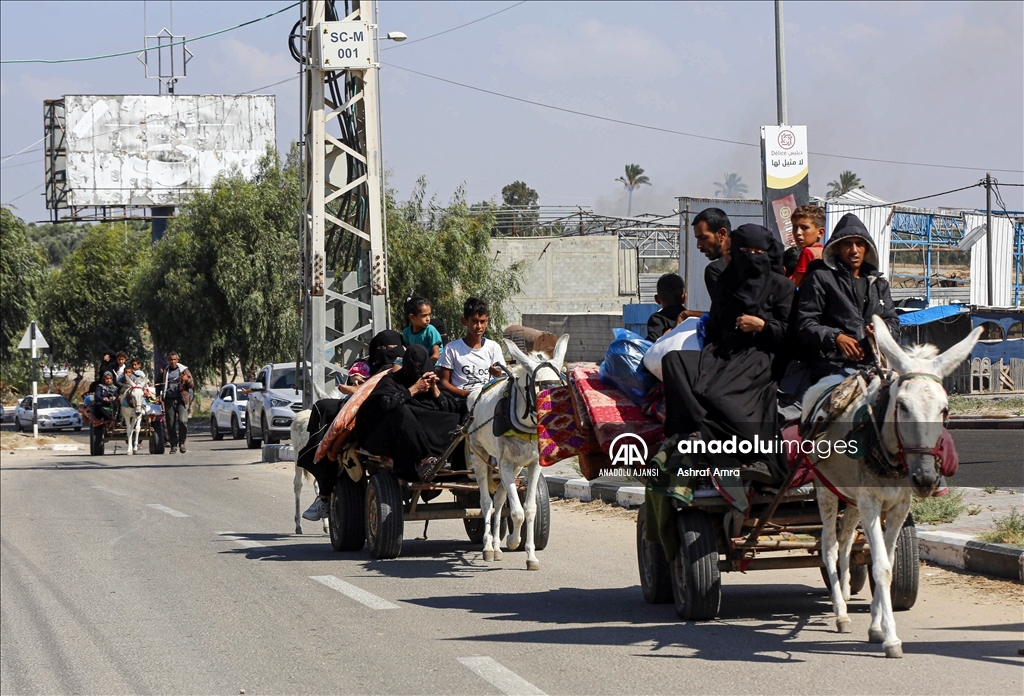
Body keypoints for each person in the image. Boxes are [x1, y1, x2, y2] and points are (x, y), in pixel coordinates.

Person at [692, 223, 794, 484]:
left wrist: (762, 326)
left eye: (757, 251)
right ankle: (698, 439)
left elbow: (791, 334)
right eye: (745, 250)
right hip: (724, 351)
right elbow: (716, 322)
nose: (751, 257)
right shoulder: (727, 281)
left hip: (762, 354)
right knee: (678, 367)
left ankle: (760, 454)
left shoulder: (781, 286)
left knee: (719, 395)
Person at [796, 213, 899, 371]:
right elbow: (805, 323)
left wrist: (881, 331)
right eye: (847, 244)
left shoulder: (878, 284)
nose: (854, 250)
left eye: (859, 244)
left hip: (875, 366)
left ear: (867, 248)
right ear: (836, 248)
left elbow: (893, 322)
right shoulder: (820, 279)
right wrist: (836, 337)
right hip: (832, 366)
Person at [356, 345, 463, 482]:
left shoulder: (432, 378)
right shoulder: (392, 380)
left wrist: (435, 389)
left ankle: (456, 464)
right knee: (403, 411)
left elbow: (449, 408)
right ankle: (424, 459)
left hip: (428, 428)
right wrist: (413, 389)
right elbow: (385, 404)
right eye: (415, 365)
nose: (418, 368)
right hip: (397, 435)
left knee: (456, 419)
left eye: (421, 364)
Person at [438, 297, 506, 399]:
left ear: (487, 321)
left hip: (488, 400)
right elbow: (444, 382)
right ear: (464, 321)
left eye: (482, 321)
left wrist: (498, 374)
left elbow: (503, 378)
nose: (479, 326)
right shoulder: (451, 349)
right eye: (474, 321)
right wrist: (467, 394)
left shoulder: (493, 347)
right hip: (462, 401)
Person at [156, 352, 194, 454]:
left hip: (181, 400)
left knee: (183, 421)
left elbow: (191, 384)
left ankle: (182, 442)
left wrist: (187, 380)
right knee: (170, 424)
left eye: (174, 360)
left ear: (178, 360)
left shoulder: (184, 371)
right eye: (171, 360)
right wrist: (158, 396)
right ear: (169, 360)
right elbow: (158, 384)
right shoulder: (165, 371)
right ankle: (173, 445)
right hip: (168, 400)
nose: (173, 361)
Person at [692, 207, 732, 298]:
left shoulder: (715, 270)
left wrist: (688, 313)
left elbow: (724, 311)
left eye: (703, 238)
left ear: (721, 234)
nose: (699, 245)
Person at [788, 204, 826, 287]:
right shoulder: (824, 252)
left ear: (820, 232)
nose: (798, 232)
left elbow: (794, 283)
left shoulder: (807, 252)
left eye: (804, 228)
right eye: (795, 227)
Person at [646, 273, 687, 342]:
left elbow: (652, 344)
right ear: (684, 298)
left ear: (657, 299)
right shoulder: (691, 318)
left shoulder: (657, 319)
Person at [402, 296, 443, 362]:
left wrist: (424, 367)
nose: (428, 319)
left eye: (429, 314)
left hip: (434, 366)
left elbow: (436, 356)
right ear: (412, 317)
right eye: (424, 315)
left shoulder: (430, 330)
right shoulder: (406, 332)